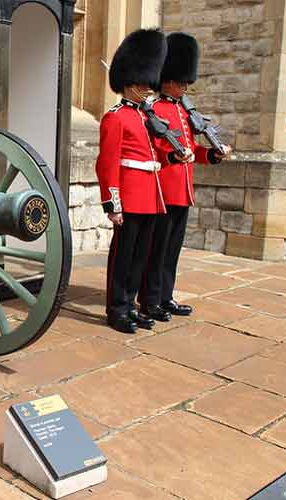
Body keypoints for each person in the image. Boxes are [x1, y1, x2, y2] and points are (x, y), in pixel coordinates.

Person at [139, 32, 232, 319]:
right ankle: (149, 301)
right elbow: (150, 152)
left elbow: (192, 150)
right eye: (182, 82)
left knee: (172, 251)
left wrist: (213, 154)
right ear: (167, 80)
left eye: (187, 82)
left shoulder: (184, 111)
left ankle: (165, 297)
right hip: (163, 191)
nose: (185, 87)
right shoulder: (153, 109)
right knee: (156, 250)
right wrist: (171, 157)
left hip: (182, 192)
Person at [96, 28, 171, 334]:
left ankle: (131, 306)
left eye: (149, 86)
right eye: (143, 86)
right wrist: (112, 202)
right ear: (129, 84)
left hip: (150, 196)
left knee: (140, 257)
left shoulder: (144, 117)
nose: (148, 91)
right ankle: (117, 309)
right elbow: (107, 164)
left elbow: (153, 157)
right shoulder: (115, 117)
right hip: (128, 196)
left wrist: (172, 158)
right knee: (123, 258)